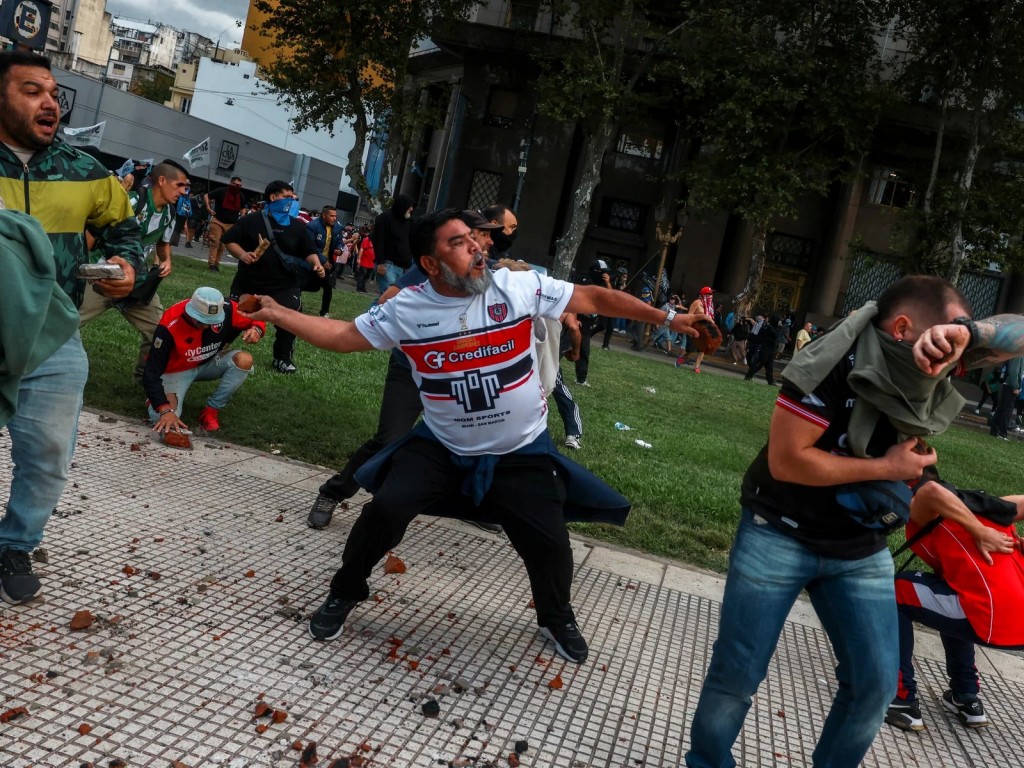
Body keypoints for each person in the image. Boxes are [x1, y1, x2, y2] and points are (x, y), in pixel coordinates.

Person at [243, 208, 705, 663]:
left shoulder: (517, 286)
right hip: (442, 446)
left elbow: (594, 298)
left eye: (474, 239)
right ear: (430, 263)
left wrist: (667, 320)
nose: (477, 248)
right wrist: (279, 313)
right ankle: (345, 591)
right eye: (458, 243)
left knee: (549, 543)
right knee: (384, 508)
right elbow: (344, 335)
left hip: (521, 450)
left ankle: (555, 616)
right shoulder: (407, 308)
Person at [685, 275, 975, 768]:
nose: (951, 357)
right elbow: (787, 461)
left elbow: (1018, 332)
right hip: (778, 530)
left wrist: (973, 335)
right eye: (947, 336)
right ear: (903, 328)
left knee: (876, 685)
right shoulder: (831, 361)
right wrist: (888, 469)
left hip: (859, 547)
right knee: (737, 675)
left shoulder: (927, 376)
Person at [0, 50, 143, 604]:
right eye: (32, 90)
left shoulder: (87, 171)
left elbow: (123, 228)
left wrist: (125, 266)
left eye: (54, 94)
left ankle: (16, 542)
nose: (50, 103)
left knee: (50, 454)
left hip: (52, 337)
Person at [306, 209, 504, 532]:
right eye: (483, 233)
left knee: (472, 438)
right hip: (412, 372)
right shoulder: (433, 266)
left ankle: (470, 503)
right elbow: (386, 300)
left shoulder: (485, 270)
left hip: (455, 376)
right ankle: (333, 492)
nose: (489, 240)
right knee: (389, 439)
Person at [884, 466, 1024, 733]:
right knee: (951, 594)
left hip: (994, 616)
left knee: (895, 589)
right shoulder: (986, 507)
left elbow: (931, 491)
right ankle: (966, 697)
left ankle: (901, 699)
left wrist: (978, 531)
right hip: (1014, 621)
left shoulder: (922, 503)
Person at [78, 160, 189, 381]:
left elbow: (163, 243)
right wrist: (80, 265)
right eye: (180, 185)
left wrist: (167, 261)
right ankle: (41, 367)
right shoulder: (132, 200)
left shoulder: (169, 214)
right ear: (162, 180)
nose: (184, 192)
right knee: (66, 320)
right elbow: (92, 230)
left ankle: (145, 379)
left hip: (137, 281)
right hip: (102, 276)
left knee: (160, 331)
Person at [222, 180, 323, 374]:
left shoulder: (297, 226)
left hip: (284, 285)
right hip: (251, 283)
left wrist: (316, 263)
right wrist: (243, 254)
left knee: (290, 320)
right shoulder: (252, 220)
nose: (292, 200)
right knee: (238, 317)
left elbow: (308, 250)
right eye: (287, 196)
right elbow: (229, 240)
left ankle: (282, 358)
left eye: (293, 197)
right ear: (273, 197)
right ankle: (219, 349)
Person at [144, 287, 265, 434]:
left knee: (244, 360)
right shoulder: (169, 325)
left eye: (212, 321)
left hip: (208, 362)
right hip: (176, 370)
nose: (206, 325)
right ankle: (157, 397)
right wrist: (163, 409)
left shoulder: (227, 309)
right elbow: (151, 372)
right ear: (190, 311)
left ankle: (211, 410)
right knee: (161, 418)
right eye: (201, 321)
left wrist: (256, 329)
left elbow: (256, 316)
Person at [572, 259, 613, 386]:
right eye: (602, 272)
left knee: (584, 350)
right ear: (596, 271)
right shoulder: (583, 280)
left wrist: (608, 283)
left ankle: (581, 378)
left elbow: (611, 297)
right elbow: (574, 299)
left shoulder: (601, 283)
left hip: (588, 322)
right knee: (563, 346)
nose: (604, 275)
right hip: (576, 319)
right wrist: (574, 318)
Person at [371, 193, 414, 293]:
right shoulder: (384, 218)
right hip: (388, 265)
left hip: (404, 268)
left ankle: (374, 309)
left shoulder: (407, 223)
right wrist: (381, 263)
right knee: (389, 297)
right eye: (409, 206)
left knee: (393, 299)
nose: (411, 209)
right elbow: (378, 241)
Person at [306, 205, 344, 317]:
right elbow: (311, 246)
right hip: (311, 261)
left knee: (328, 287)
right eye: (331, 216)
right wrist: (322, 260)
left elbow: (340, 241)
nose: (334, 218)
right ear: (324, 215)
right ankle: (295, 304)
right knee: (305, 284)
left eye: (335, 216)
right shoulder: (312, 226)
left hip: (328, 263)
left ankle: (325, 311)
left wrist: (339, 249)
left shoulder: (337, 227)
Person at [206, 176, 245, 271]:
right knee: (215, 241)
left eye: (239, 185)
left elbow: (243, 208)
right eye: (235, 185)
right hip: (217, 220)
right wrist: (208, 207)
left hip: (230, 224)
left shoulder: (241, 196)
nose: (237, 187)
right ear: (231, 183)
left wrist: (242, 216)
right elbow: (206, 196)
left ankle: (216, 263)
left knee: (222, 245)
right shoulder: (221, 191)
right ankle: (211, 264)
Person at [678, 287, 716, 373]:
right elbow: (689, 316)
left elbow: (710, 318)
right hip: (695, 329)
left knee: (702, 349)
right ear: (704, 295)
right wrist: (689, 328)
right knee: (690, 349)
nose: (711, 295)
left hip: (705, 329)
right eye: (709, 294)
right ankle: (682, 358)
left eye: (711, 294)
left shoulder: (709, 305)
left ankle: (696, 367)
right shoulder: (696, 303)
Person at [989, 356, 1022, 440]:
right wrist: (1015, 386)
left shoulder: (1017, 354)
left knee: (1001, 409)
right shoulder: (1019, 355)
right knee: (1007, 410)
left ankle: (994, 431)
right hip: (1010, 386)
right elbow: (1013, 371)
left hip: (1007, 385)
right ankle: (1002, 433)